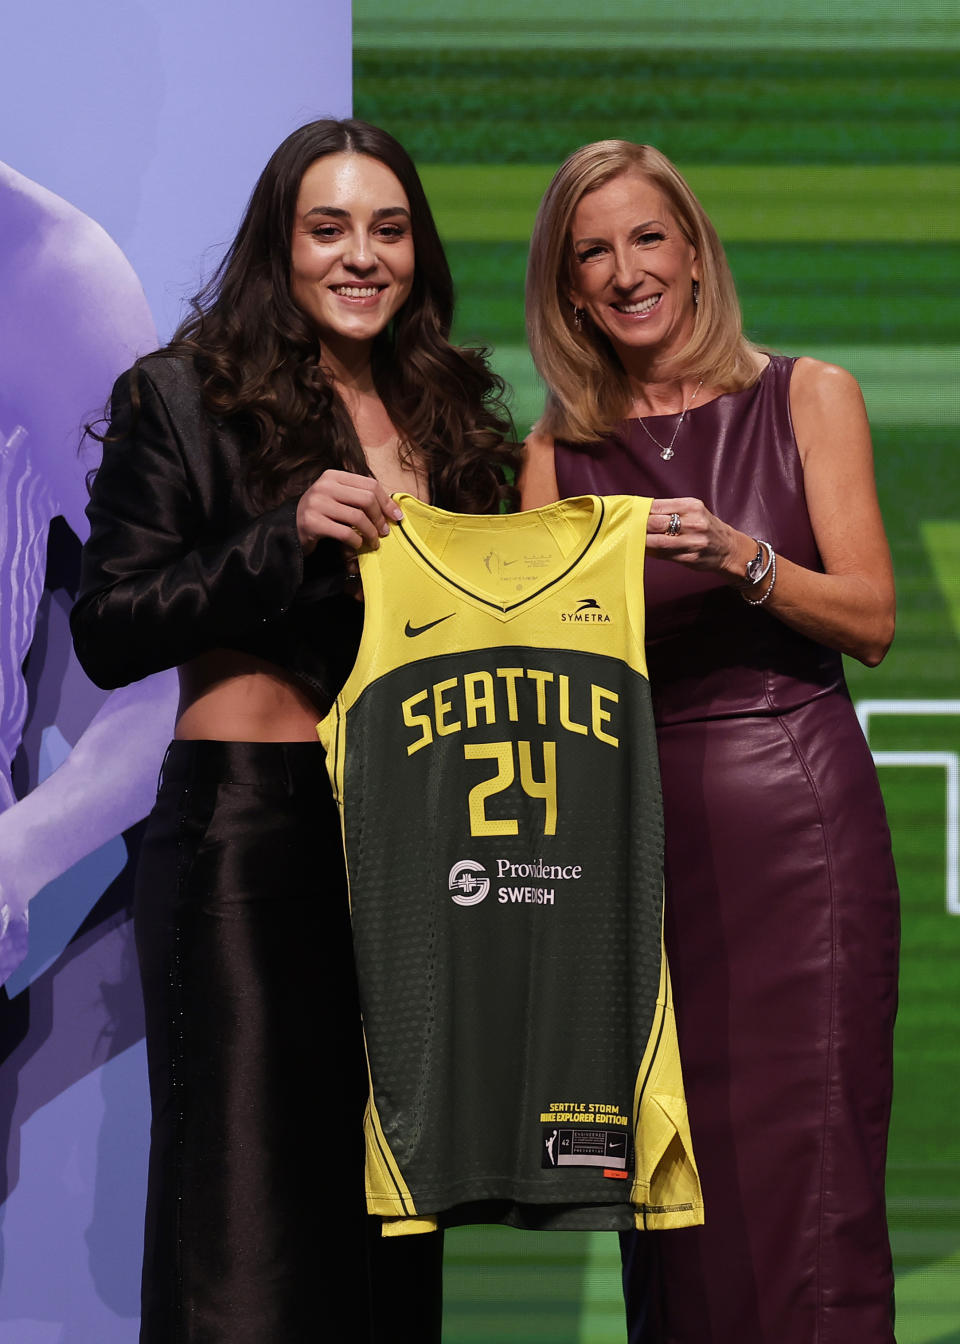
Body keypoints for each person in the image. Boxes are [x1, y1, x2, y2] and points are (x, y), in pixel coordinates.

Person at [70, 118, 516, 1344]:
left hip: (422, 851)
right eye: (329, 229)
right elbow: (108, 623)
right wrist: (284, 536)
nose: (361, 256)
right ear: (282, 243)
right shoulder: (181, 391)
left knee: (393, 1236)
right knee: (250, 1237)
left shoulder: (457, 413)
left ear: (419, 250)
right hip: (247, 843)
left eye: (389, 229)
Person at [521, 140, 899, 1343]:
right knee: (672, 1203)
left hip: (798, 825)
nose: (626, 271)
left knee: (811, 1179)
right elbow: (542, 675)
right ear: (568, 288)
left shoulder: (809, 395)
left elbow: (873, 619)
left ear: (692, 250)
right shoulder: (556, 453)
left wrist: (742, 558)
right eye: (594, 252)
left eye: (646, 238)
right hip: (636, 850)